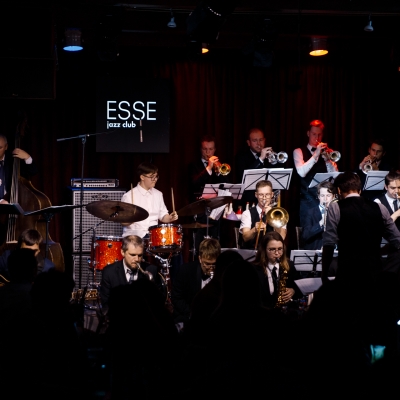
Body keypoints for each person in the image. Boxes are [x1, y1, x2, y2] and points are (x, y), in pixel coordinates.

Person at [322, 171, 400, 285]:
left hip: (347, 274)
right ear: (360, 190)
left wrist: (324, 274)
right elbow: (397, 241)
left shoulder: (335, 207)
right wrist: (377, 252)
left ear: (338, 190)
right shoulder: (380, 207)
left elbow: (329, 244)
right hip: (374, 274)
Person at [293, 119, 338, 227]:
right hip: (307, 200)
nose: (317, 137)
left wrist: (328, 161)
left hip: (326, 199)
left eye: (319, 134)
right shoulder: (298, 151)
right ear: (308, 133)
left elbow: (335, 175)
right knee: (308, 231)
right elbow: (301, 173)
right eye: (314, 134)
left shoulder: (328, 152)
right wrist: (315, 155)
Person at [187, 135, 227, 251]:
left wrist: (219, 172)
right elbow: (194, 183)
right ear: (201, 149)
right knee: (199, 245)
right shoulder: (193, 166)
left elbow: (226, 184)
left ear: (215, 150)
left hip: (216, 211)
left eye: (210, 149)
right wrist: (208, 168)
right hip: (199, 212)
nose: (208, 152)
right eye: (205, 149)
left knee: (215, 244)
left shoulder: (219, 165)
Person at [99, 235, 160, 309]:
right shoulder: (109, 272)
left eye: (140, 255)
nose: (137, 259)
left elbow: (157, 302)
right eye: (132, 255)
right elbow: (106, 304)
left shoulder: (151, 270)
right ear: (122, 252)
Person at [120, 162, 178, 239]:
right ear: (142, 177)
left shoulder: (158, 194)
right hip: (134, 237)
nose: (155, 180)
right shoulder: (129, 196)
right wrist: (132, 219)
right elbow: (123, 222)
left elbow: (163, 216)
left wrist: (170, 218)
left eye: (156, 177)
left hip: (153, 235)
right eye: (152, 177)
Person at [171, 238, 221, 326]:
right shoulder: (186, 271)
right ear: (200, 259)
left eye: (214, 264)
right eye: (207, 264)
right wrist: (193, 313)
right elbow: (176, 298)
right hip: (190, 318)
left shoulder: (223, 273)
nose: (211, 268)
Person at [252, 231, 301, 309]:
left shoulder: (289, 265)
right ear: (264, 250)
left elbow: (300, 287)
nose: (277, 253)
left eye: (280, 249)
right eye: (272, 249)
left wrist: (293, 290)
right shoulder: (254, 269)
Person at [235, 128, 276, 208]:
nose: (258, 143)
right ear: (248, 143)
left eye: (261, 140)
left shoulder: (269, 155)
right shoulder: (241, 156)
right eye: (255, 141)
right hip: (249, 201)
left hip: (268, 201)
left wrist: (274, 162)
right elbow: (243, 175)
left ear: (264, 140)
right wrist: (260, 159)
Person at [239, 180, 286, 249]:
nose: (264, 198)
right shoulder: (247, 213)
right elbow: (245, 237)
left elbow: (282, 237)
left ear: (272, 194)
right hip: (253, 251)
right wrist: (254, 230)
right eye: (261, 195)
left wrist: (272, 218)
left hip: (272, 252)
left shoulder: (278, 213)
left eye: (267, 194)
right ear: (256, 195)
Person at [0, 134, 38, 204]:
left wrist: (27, 157)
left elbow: (33, 171)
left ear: (6, 147)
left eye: (0, 148)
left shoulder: (12, 161)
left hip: (11, 202)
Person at [374, 171, 400, 273]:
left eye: (399, 187)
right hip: (387, 244)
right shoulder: (378, 202)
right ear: (386, 187)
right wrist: (397, 213)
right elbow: (381, 227)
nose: (397, 191)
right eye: (393, 188)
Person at [302, 181, 337, 250]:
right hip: (316, 250)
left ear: (333, 197)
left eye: (328, 195)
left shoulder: (337, 212)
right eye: (322, 196)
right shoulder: (310, 213)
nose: (325, 199)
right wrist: (320, 223)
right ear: (318, 197)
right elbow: (305, 235)